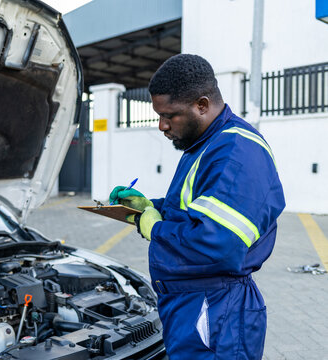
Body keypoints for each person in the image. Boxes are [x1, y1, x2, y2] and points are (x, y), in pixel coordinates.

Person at [109, 54, 285, 360]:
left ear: (202, 105)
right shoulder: (205, 143)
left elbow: (216, 243)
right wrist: (149, 207)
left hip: (216, 315)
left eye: (170, 115)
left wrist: (154, 226)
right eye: (158, 115)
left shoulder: (236, 151)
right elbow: (193, 212)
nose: (162, 125)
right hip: (197, 307)